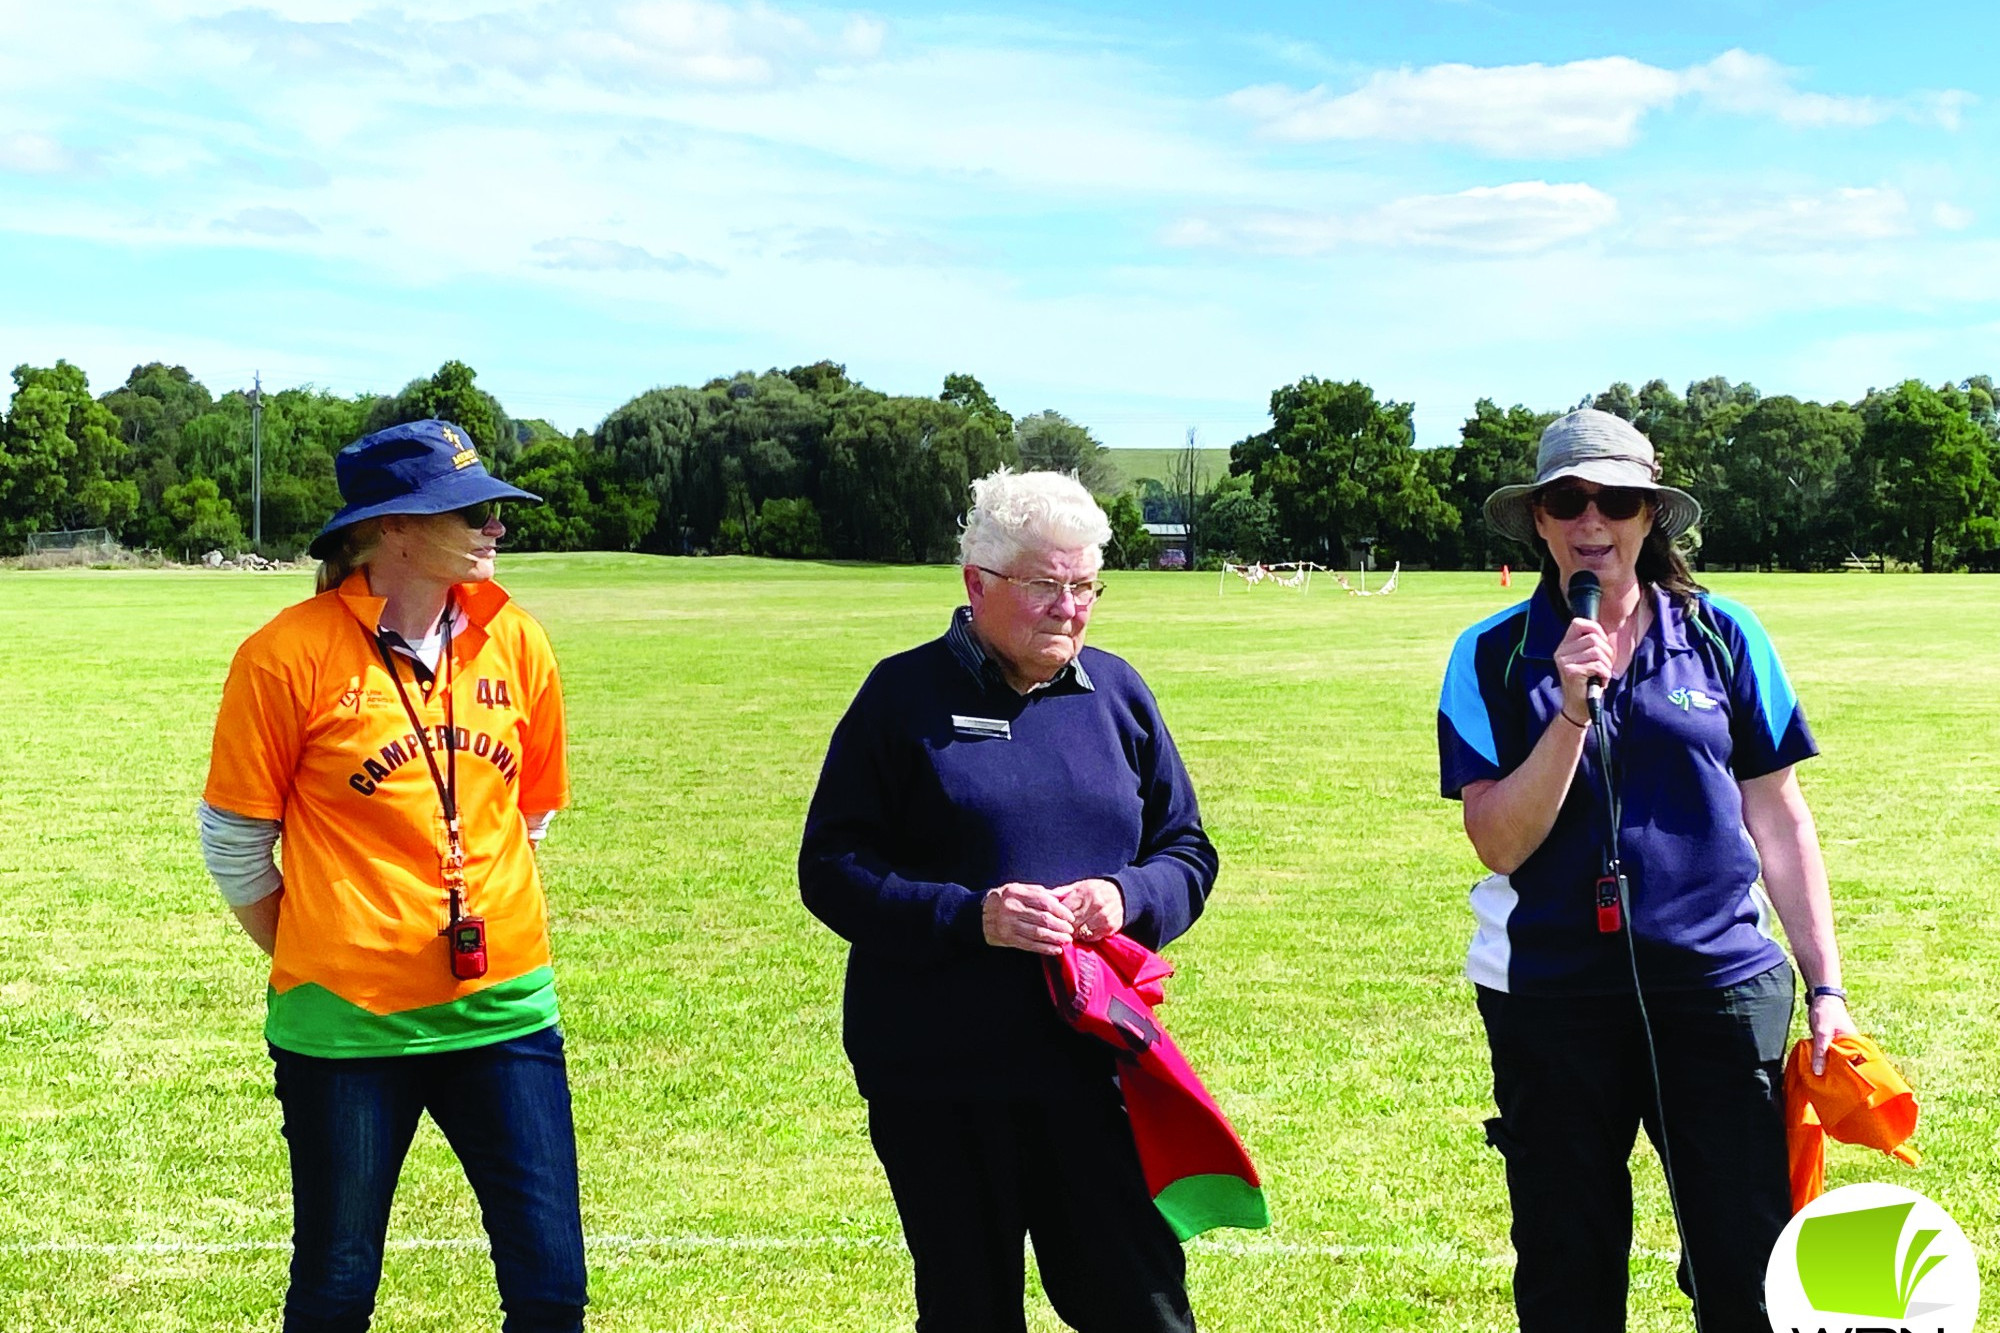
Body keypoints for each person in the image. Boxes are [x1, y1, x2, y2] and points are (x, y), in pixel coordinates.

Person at [1436, 408, 1858, 1333]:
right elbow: (1499, 841)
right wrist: (1570, 714)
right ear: (1538, 519)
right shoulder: (1490, 657)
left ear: (1650, 515)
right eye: (1568, 500)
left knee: (1745, 1258)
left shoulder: (1724, 633)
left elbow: (1780, 816)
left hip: (1716, 988)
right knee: (1567, 1262)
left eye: (1617, 500)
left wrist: (1825, 984)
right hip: (1550, 997)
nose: (1594, 520)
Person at [799, 468, 1219, 1333]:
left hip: (1095, 1068)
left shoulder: (1119, 694)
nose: (1069, 607)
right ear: (976, 584)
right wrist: (969, 915)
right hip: (940, 1076)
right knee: (970, 1312)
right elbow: (832, 865)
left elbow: (1187, 850)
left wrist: (1124, 893)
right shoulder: (900, 697)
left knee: (1144, 1306)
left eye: (1084, 585)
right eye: (1044, 586)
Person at [197, 419, 587, 1333]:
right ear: (396, 528)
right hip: (346, 1032)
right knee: (336, 1290)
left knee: (551, 1287)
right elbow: (235, 841)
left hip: (505, 1013)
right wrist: (325, 943)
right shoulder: (285, 654)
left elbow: (530, 818)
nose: (497, 528)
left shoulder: (517, 639)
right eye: (476, 510)